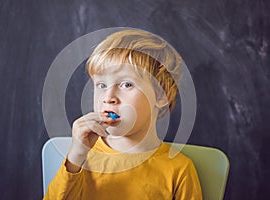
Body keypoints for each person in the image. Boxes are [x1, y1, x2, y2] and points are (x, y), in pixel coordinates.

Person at [44, 29, 202, 200]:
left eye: (126, 84)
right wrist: (76, 156)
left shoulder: (179, 169)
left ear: (162, 95)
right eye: (102, 85)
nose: (108, 97)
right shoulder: (81, 157)